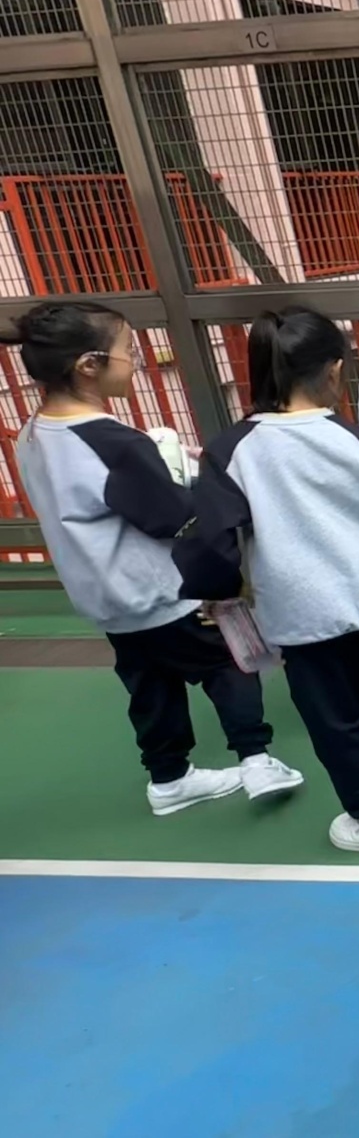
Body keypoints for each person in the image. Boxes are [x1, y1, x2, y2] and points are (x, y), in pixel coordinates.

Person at [5, 303, 304, 815]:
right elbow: (173, 517)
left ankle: (168, 777)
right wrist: (203, 492)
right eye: (129, 351)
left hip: (105, 597)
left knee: (150, 683)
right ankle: (256, 758)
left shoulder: (34, 432)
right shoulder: (112, 442)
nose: (138, 360)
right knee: (226, 663)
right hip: (162, 590)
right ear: (89, 365)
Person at [177, 309, 359, 856]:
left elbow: (214, 543)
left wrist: (217, 591)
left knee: (334, 718)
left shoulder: (231, 449)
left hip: (305, 613)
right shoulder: (354, 436)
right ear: (334, 369)